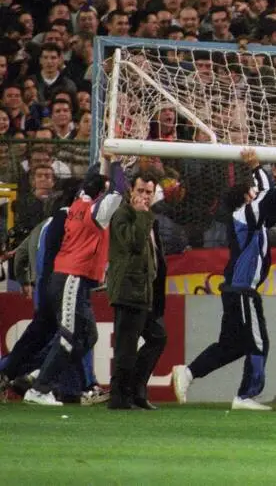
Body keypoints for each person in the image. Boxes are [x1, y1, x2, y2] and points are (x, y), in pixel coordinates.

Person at [173, 151, 276, 411]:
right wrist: (258, 168)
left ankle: (188, 373)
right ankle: (246, 395)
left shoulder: (253, 218)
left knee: (232, 345)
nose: (256, 193)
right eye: (253, 191)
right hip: (242, 291)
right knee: (259, 342)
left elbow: (274, 206)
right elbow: (265, 199)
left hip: (237, 290)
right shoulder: (242, 216)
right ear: (246, 198)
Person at [24, 159, 127, 407]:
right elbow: (119, 190)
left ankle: (42, 372)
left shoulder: (78, 203)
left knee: (88, 335)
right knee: (69, 335)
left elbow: (92, 182)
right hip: (71, 276)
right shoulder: (96, 213)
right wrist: (116, 165)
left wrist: (99, 163)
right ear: (99, 192)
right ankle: (39, 389)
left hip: (72, 279)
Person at [0, 182, 77, 397]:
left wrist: (25, 280)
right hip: (54, 288)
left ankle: (19, 373)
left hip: (41, 288)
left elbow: (21, 256)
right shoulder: (65, 225)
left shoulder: (40, 228)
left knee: (47, 336)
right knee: (62, 337)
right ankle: (36, 378)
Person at [106, 170, 168, 411]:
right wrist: (142, 216)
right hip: (128, 290)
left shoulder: (149, 217)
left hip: (144, 291)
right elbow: (132, 243)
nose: (144, 196)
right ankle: (120, 397)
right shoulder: (123, 215)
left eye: (149, 192)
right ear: (131, 190)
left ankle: (136, 390)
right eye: (140, 191)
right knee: (126, 347)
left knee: (157, 338)